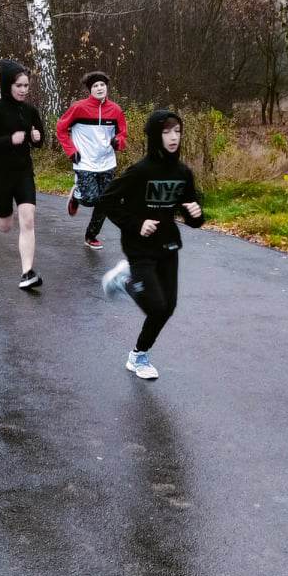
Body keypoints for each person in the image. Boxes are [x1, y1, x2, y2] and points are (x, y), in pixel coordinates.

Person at [98, 109, 206, 380]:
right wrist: (137, 224)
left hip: (168, 245)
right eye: (166, 132)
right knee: (156, 307)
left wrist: (196, 214)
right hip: (139, 246)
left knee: (168, 307)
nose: (173, 137)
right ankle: (127, 280)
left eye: (177, 131)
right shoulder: (140, 171)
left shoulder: (183, 172)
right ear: (156, 136)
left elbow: (192, 216)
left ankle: (138, 355)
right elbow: (107, 200)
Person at [0, 59, 47, 290]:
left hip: (23, 172)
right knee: (6, 225)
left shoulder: (30, 110)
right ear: (9, 85)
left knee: (28, 219)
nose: (23, 90)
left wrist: (37, 139)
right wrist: (9, 140)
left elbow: (39, 139)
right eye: (19, 86)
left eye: (26, 85)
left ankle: (27, 273)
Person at [55, 70, 129, 250]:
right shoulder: (78, 108)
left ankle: (91, 235)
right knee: (90, 199)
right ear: (90, 90)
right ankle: (77, 195)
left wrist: (118, 141)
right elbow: (61, 129)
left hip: (107, 162)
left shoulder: (115, 110)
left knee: (105, 201)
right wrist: (71, 151)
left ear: (107, 87)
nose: (99, 88)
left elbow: (123, 133)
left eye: (102, 85)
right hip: (85, 161)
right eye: (95, 86)